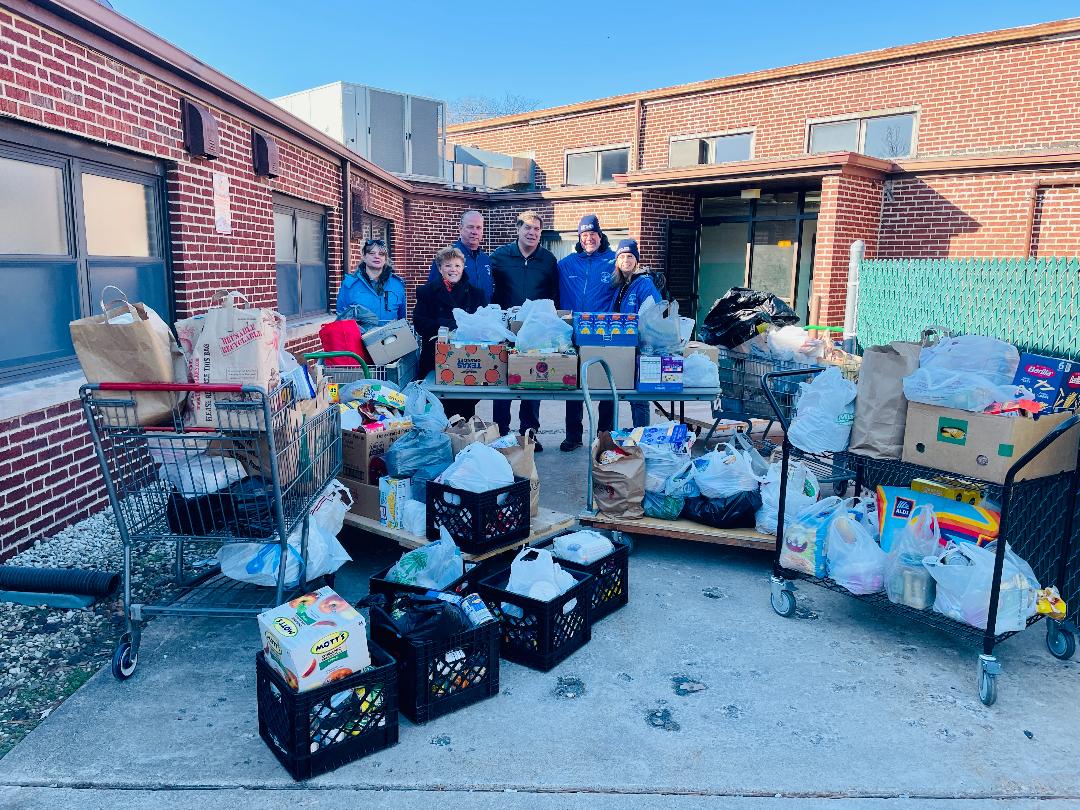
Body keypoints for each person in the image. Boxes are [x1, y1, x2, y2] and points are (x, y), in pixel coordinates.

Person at [489, 209, 560, 450]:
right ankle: (501, 432)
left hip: (536, 330)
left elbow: (554, 295)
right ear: (518, 229)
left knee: (533, 379)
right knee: (504, 380)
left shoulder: (548, 260)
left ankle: (529, 433)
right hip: (505, 328)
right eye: (527, 227)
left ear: (541, 233)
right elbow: (490, 290)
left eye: (536, 229)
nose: (532, 232)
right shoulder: (499, 256)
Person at [557, 214, 617, 451]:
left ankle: (605, 435)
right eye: (584, 235)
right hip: (572, 333)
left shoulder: (614, 261)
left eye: (593, 234)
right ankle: (573, 435)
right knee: (574, 383)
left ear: (600, 236)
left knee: (605, 383)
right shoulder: (565, 264)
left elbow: (632, 278)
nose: (589, 239)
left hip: (604, 332)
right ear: (579, 238)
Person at [413, 246, 488, 419]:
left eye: (457, 265)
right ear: (440, 269)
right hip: (434, 359)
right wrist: (450, 325)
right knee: (437, 411)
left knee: (464, 410)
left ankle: (463, 440)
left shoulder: (477, 294)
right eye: (447, 266)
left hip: (467, 359)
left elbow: (483, 326)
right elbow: (420, 323)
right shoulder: (426, 292)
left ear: (463, 268)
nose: (452, 270)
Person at [601, 238, 663, 429]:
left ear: (636, 260)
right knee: (613, 392)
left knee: (638, 398)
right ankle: (610, 436)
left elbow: (653, 314)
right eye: (621, 256)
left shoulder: (644, 284)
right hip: (620, 347)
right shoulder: (620, 285)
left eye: (630, 256)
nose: (625, 260)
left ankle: (640, 437)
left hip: (639, 348)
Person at [426, 210, 493, 302]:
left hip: (485, 315)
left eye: (478, 228)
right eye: (470, 227)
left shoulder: (485, 260)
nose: (475, 232)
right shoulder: (446, 257)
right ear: (460, 228)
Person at [335, 238, 407, 324]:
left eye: (381, 254)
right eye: (372, 253)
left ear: (385, 259)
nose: (377, 256)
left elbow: (402, 319)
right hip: (360, 337)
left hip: (391, 336)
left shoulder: (397, 285)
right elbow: (341, 320)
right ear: (364, 257)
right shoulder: (349, 285)